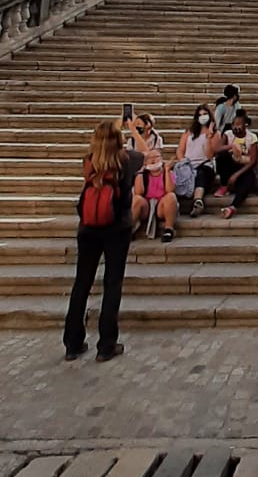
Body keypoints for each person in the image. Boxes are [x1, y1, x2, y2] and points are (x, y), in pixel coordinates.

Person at [63, 122, 135, 362]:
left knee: (82, 283)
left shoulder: (88, 161)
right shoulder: (126, 161)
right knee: (112, 284)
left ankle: (72, 343)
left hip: (88, 228)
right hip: (117, 228)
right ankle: (106, 345)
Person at [127, 114, 177, 243]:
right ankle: (129, 230)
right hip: (147, 205)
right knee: (136, 199)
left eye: (156, 158)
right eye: (151, 159)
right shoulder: (143, 173)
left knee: (171, 197)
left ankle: (169, 229)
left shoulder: (166, 170)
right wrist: (140, 171)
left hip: (161, 205)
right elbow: (138, 193)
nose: (154, 160)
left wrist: (167, 170)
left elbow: (170, 190)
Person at [174, 104, 222, 217]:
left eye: (205, 114)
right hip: (187, 163)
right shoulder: (189, 132)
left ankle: (198, 201)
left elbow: (210, 155)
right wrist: (183, 162)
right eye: (200, 115)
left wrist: (209, 137)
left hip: (205, 164)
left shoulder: (216, 134)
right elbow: (180, 150)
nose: (202, 117)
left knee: (201, 174)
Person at [216, 109, 258, 219]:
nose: (236, 127)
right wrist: (231, 146)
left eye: (238, 124)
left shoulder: (252, 137)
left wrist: (236, 175)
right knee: (222, 156)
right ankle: (224, 185)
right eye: (234, 124)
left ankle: (232, 207)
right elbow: (217, 149)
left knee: (248, 181)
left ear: (245, 125)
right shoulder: (228, 134)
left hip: (244, 168)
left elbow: (253, 160)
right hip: (231, 165)